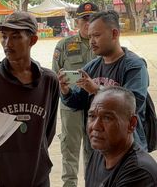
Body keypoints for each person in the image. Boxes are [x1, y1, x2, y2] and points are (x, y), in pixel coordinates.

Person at [0, 11, 60, 187]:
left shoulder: (49, 81)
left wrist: (35, 153)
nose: (7, 44)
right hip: (0, 177)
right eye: (4, 36)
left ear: (32, 40)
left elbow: (48, 130)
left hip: (38, 176)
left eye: (15, 37)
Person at [59, 10, 149, 161]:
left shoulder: (134, 66)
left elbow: (134, 102)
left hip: (126, 152)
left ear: (114, 34)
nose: (92, 41)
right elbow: (77, 102)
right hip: (97, 152)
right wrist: (66, 91)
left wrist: (97, 90)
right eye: (90, 37)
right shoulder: (91, 67)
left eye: (97, 36)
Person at [52, 2, 98, 187]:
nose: (88, 23)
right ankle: (69, 184)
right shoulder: (64, 45)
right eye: (84, 19)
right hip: (70, 107)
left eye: (92, 19)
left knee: (94, 149)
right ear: (77, 22)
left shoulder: (102, 45)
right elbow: (55, 74)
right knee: (69, 149)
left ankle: (92, 183)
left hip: (95, 105)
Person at [85, 86, 157, 187]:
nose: (96, 126)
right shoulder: (98, 155)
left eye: (107, 118)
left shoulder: (139, 172)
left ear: (132, 123)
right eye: (92, 116)